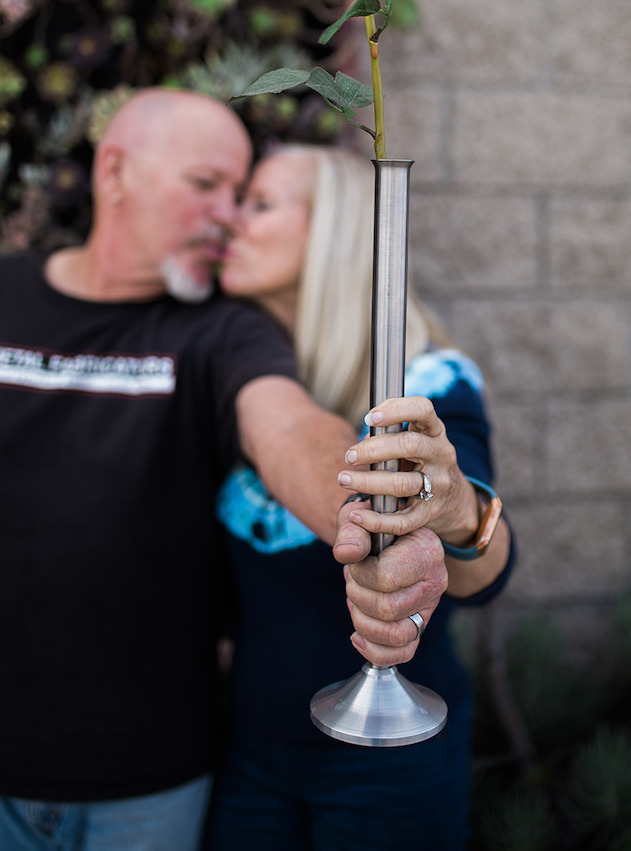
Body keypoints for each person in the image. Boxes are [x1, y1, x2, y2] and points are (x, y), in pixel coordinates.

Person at [0, 90, 449, 851]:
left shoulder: (224, 328)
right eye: (205, 185)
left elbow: (284, 425)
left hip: (148, 785)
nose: (228, 214)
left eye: (242, 193)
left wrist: (360, 506)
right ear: (115, 172)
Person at [204, 144, 515, 851]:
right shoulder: (244, 374)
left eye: (259, 203)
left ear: (336, 230)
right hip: (249, 749)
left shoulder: (426, 380)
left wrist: (458, 508)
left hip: (388, 761)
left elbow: (480, 575)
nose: (230, 222)